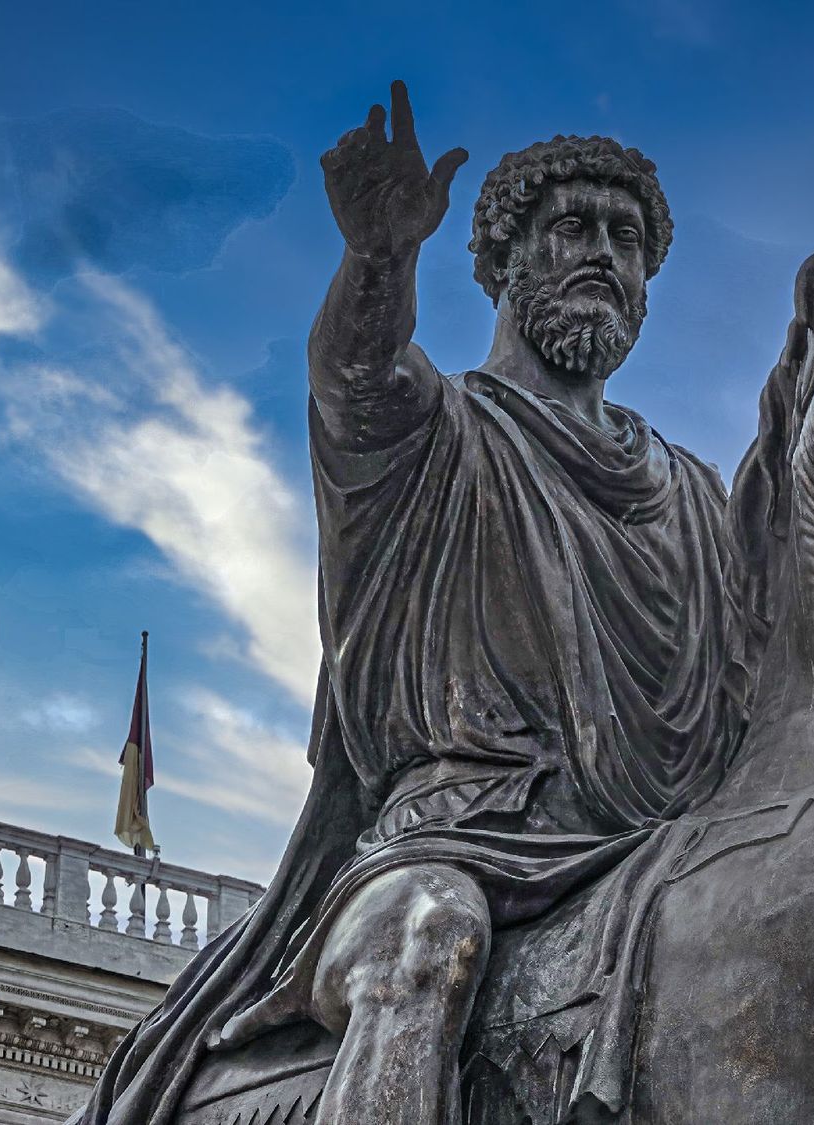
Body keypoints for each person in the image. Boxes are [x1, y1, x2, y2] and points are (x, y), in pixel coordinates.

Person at [71, 81, 741, 1125]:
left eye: (626, 238)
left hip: (651, 851)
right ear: (504, 265)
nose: (603, 253)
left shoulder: (696, 495)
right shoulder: (437, 434)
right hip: (450, 837)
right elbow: (354, 374)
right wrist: (378, 259)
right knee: (429, 939)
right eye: (571, 228)